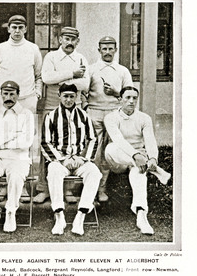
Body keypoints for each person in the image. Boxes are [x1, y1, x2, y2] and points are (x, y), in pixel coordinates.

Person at [104, 86, 171, 235]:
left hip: (139, 160)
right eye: (127, 98)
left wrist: (153, 157)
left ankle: (141, 216)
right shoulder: (110, 118)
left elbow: (150, 141)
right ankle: (157, 171)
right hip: (118, 160)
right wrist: (136, 156)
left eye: (134, 98)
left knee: (139, 176)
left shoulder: (144, 118)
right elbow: (119, 140)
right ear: (120, 100)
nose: (131, 101)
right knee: (110, 148)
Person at [34, 26, 90, 204]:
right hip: (51, 107)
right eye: (66, 38)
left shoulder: (81, 58)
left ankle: (67, 189)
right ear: (60, 40)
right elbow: (46, 78)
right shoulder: (51, 57)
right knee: (48, 145)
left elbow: (85, 84)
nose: (69, 42)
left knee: (72, 145)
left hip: (75, 108)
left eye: (73, 39)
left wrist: (62, 82)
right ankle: (43, 188)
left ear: (77, 42)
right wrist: (72, 74)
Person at [41, 83, 101, 235]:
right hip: (60, 161)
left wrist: (84, 159)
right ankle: (59, 216)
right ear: (59, 96)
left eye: (72, 97)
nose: (68, 100)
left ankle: (80, 216)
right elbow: (45, 142)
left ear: (76, 97)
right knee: (53, 172)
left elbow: (93, 139)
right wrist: (61, 159)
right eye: (65, 96)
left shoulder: (84, 116)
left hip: (79, 160)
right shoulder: (51, 116)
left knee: (94, 172)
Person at [0, 81, 35, 233]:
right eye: (5, 93)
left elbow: (26, 142)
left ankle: (11, 212)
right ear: (1, 95)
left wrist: (0, 140)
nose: (8, 97)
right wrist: (14, 136)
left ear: (18, 94)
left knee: (16, 175)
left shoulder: (27, 115)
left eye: (12, 94)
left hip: (19, 157)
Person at [86, 36, 133, 202]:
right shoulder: (91, 69)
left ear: (115, 50)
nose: (107, 52)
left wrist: (116, 92)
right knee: (93, 152)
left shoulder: (122, 71)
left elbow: (130, 95)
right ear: (99, 50)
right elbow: (83, 92)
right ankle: (88, 190)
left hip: (113, 113)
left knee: (108, 153)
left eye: (110, 48)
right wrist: (87, 108)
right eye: (104, 49)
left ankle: (102, 189)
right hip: (95, 112)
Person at [0, 15, 43, 113]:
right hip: (3, 99)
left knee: (26, 128)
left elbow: (39, 76)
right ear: (8, 29)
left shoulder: (33, 48)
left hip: (27, 99)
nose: (17, 31)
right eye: (14, 27)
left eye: (21, 27)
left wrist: (37, 94)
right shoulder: (0, 48)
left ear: (25, 29)